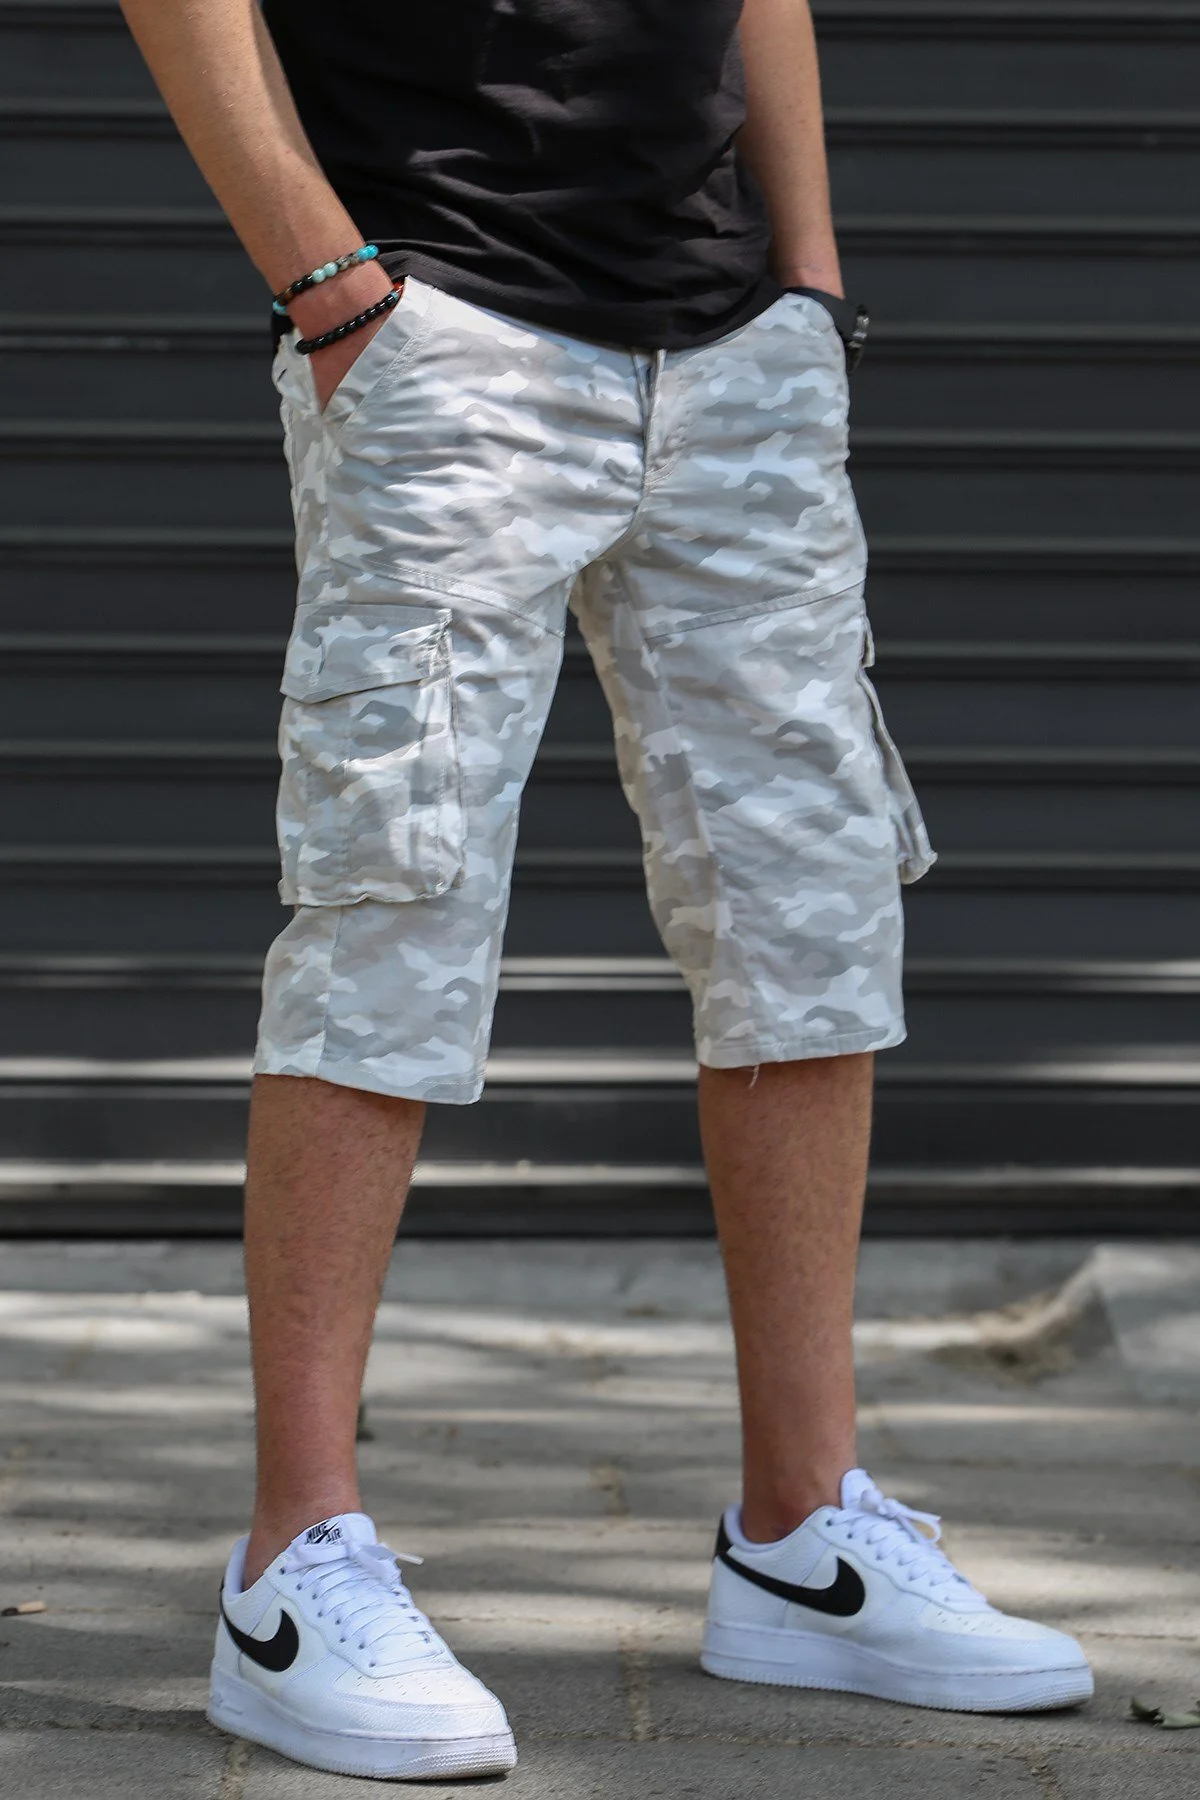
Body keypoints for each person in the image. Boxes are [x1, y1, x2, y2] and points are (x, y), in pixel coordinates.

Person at [119, 0, 1094, 1780]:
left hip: (735, 344)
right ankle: (292, 1568)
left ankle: (804, 1537)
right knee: (392, 908)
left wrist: (810, 284)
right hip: (443, 325)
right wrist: (327, 281)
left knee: (808, 918)